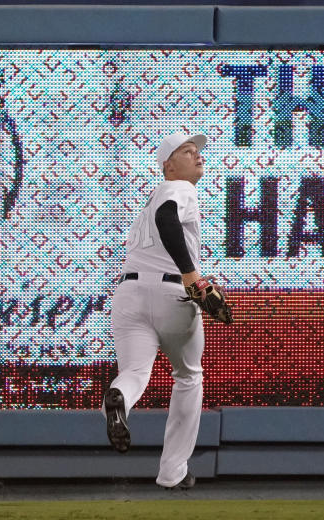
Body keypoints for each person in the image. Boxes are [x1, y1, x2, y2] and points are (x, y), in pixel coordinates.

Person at [103, 131, 216, 490]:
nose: (197, 155)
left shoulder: (145, 208)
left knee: (135, 371)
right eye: (187, 150)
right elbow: (169, 219)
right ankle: (173, 471)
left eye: (197, 150)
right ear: (168, 165)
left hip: (128, 293)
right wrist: (192, 277)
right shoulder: (177, 188)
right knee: (188, 376)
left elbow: (162, 222)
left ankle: (119, 398)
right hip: (171, 293)